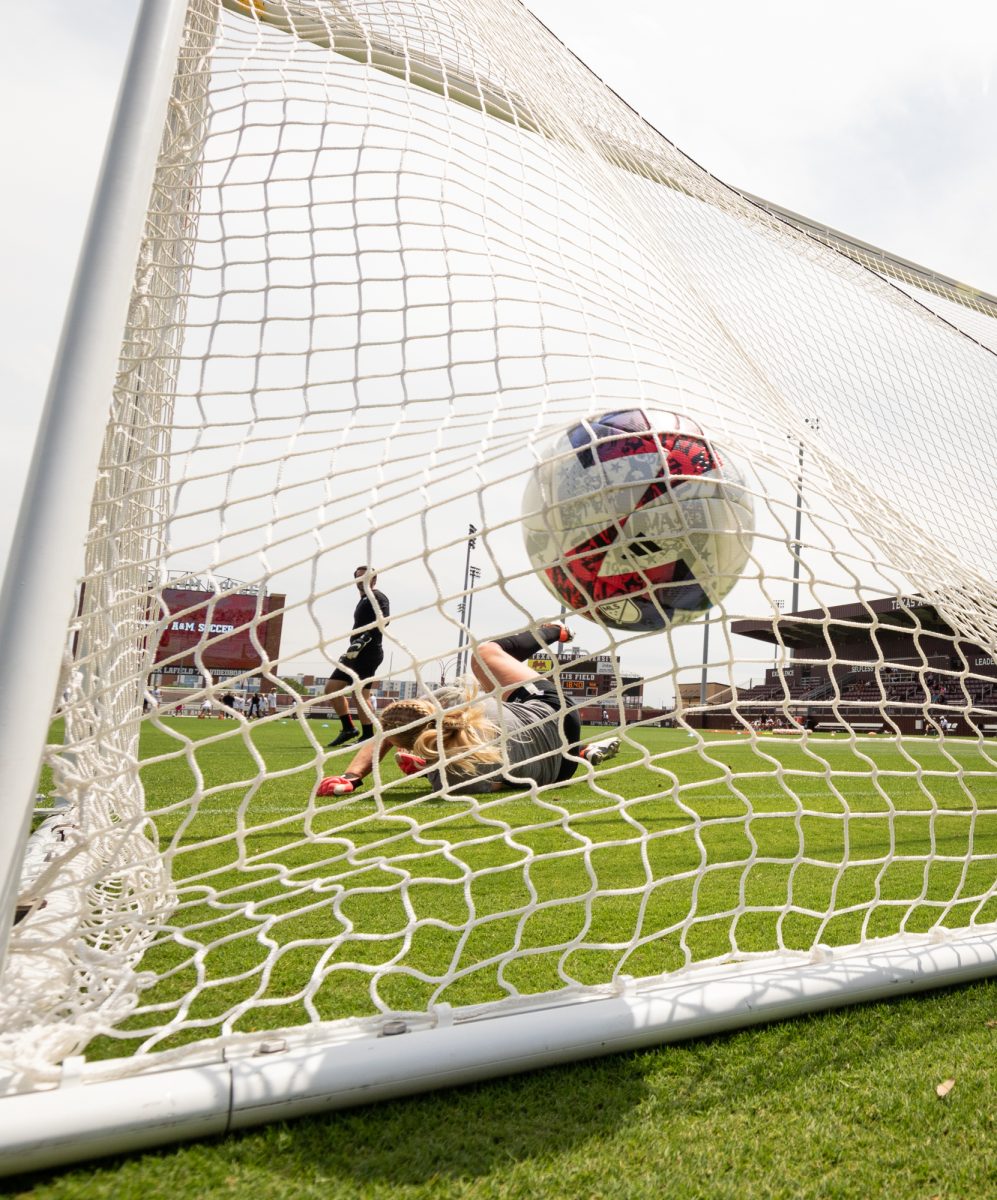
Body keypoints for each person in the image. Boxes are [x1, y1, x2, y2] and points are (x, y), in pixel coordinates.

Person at [317, 621, 620, 798]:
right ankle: (553, 630)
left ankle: (580, 752)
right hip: (553, 714)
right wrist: (353, 775)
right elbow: (389, 731)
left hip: (557, 770)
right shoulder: (452, 700)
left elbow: (500, 784)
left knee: (508, 751)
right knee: (486, 653)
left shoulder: (452, 781)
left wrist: (351, 778)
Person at [324, 565, 390, 747]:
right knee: (331, 688)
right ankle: (348, 729)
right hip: (354, 653)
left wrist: (365, 638)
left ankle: (368, 736)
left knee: (360, 693)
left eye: (366, 577)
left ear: (374, 580)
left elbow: (384, 619)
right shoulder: (362, 600)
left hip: (369, 652)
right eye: (359, 577)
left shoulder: (377, 596)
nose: (362, 580)